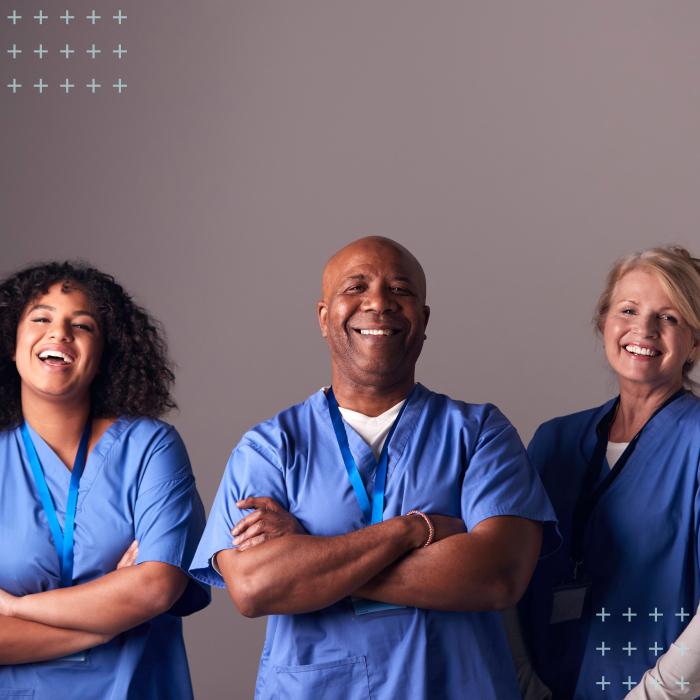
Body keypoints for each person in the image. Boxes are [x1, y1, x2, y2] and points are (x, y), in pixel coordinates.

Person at [190, 236, 558, 699]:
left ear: (423, 321)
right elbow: (255, 587)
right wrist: (411, 531)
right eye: (356, 287)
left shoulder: (479, 432)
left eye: (400, 290)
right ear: (324, 318)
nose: (379, 302)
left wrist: (308, 560)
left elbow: (498, 575)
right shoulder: (271, 447)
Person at [0, 262, 209, 699]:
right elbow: (137, 600)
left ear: (104, 356)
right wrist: (107, 623)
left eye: (82, 325)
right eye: (41, 318)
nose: (59, 333)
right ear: (11, 344)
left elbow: (155, 587)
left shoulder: (151, 447)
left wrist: (16, 608)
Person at [518, 246, 700, 699]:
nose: (644, 329)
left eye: (670, 317)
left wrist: (655, 693)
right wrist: (523, 680)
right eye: (628, 310)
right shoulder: (553, 442)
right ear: (604, 322)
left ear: (695, 342)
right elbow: (507, 568)